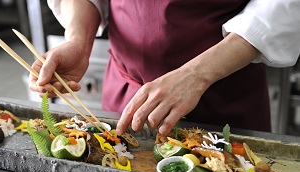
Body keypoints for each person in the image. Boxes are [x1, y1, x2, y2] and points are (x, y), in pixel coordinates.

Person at [29, 0, 300, 136]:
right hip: (127, 96)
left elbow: (281, 7)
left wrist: (197, 75)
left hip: (222, 97)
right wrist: (79, 40)